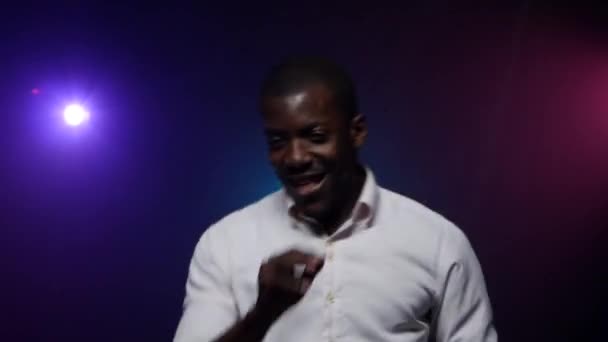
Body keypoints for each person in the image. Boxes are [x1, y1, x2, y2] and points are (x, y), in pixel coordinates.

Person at [173, 57, 497, 342]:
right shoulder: (224, 244)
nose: (295, 157)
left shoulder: (438, 243)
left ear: (356, 132)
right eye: (277, 141)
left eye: (315, 136)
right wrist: (263, 313)